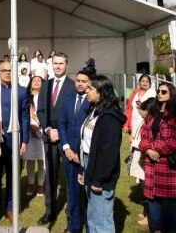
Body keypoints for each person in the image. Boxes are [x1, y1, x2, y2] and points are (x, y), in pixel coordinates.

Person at [77, 75, 126, 233]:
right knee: (92, 215)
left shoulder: (109, 117)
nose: (87, 91)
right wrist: (82, 169)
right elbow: (86, 143)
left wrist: (98, 180)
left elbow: (108, 154)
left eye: (91, 88)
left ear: (102, 92)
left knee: (102, 219)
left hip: (101, 173)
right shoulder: (94, 110)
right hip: (89, 165)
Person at [0, 59, 30, 225]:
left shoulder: (22, 92)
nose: (8, 73)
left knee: (13, 175)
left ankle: (10, 208)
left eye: (10, 70)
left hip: (14, 140)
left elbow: (25, 117)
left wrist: (24, 140)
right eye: (4, 70)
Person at [37, 51, 75, 225]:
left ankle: (71, 212)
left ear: (67, 65)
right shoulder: (45, 85)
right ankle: (50, 210)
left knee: (69, 176)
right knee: (50, 175)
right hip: (49, 137)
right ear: (51, 65)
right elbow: (41, 110)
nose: (58, 66)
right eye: (55, 63)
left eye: (61, 63)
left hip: (66, 139)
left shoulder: (73, 85)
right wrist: (47, 129)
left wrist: (61, 131)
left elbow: (74, 114)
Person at [58, 64, 94, 233]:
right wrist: (66, 148)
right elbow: (62, 123)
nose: (79, 83)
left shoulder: (93, 101)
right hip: (69, 153)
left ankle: (89, 225)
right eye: (77, 80)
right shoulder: (68, 98)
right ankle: (73, 226)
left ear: (90, 83)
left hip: (86, 155)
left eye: (83, 81)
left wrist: (82, 153)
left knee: (87, 193)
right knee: (72, 192)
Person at [138, 81, 176, 233]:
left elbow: (173, 141)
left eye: (164, 92)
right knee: (152, 199)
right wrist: (148, 150)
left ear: (171, 94)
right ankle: (155, 227)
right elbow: (144, 134)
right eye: (159, 91)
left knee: (168, 202)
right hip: (151, 162)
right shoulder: (152, 113)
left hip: (166, 165)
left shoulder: (173, 116)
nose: (160, 94)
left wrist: (156, 151)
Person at [129, 97, 155, 228]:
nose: (140, 112)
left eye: (142, 110)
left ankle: (150, 216)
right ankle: (146, 212)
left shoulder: (152, 124)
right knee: (144, 187)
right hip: (142, 159)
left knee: (149, 189)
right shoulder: (145, 121)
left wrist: (134, 142)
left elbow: (146, 143)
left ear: (148, 111)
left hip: (147, 161)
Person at [23, 75, 46, 197]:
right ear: (30, 83)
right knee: (30, 159)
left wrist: (40, 125)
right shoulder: (26, 97)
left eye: (39, 81)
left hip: (43, 130)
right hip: (29, 130)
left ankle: (41, 184)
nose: (37, 82)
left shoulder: (46, 97)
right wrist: (31, 126)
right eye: (34, 80)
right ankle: (31, 183)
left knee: (42, 159)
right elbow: (23, 113)